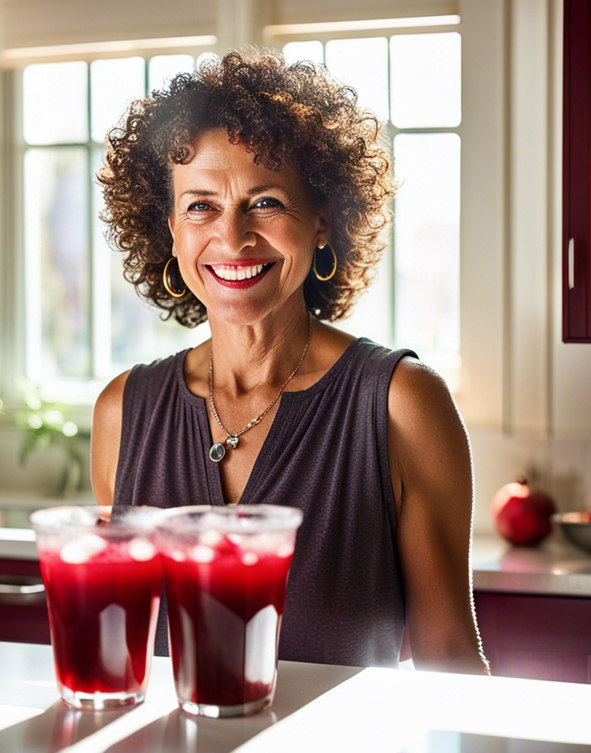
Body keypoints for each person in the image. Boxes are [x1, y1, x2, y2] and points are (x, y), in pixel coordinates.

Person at [91, 50, 489, 674]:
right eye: (200, 206)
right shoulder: (123, 413)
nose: (233, 236)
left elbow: (450, 661)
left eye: (266, 201)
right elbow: (122, 662)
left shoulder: (401, 404)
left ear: (324, 221)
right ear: (169, 229)